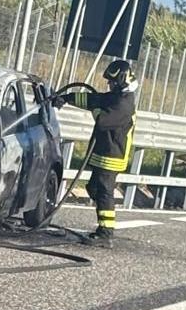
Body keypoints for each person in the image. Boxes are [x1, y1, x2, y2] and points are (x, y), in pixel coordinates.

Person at [53, 59, 138, 248]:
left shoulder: (124, 104)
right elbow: (93, 99)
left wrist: (96, 109)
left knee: (104, 192)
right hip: (103, 152)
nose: (110, 85)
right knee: (93, 188)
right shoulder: (116, 97)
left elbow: (102, 120)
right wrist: (66, 98)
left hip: (113, 156)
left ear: (122, 81)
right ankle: (103, 223)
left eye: (112, 82)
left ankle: (106, 233)